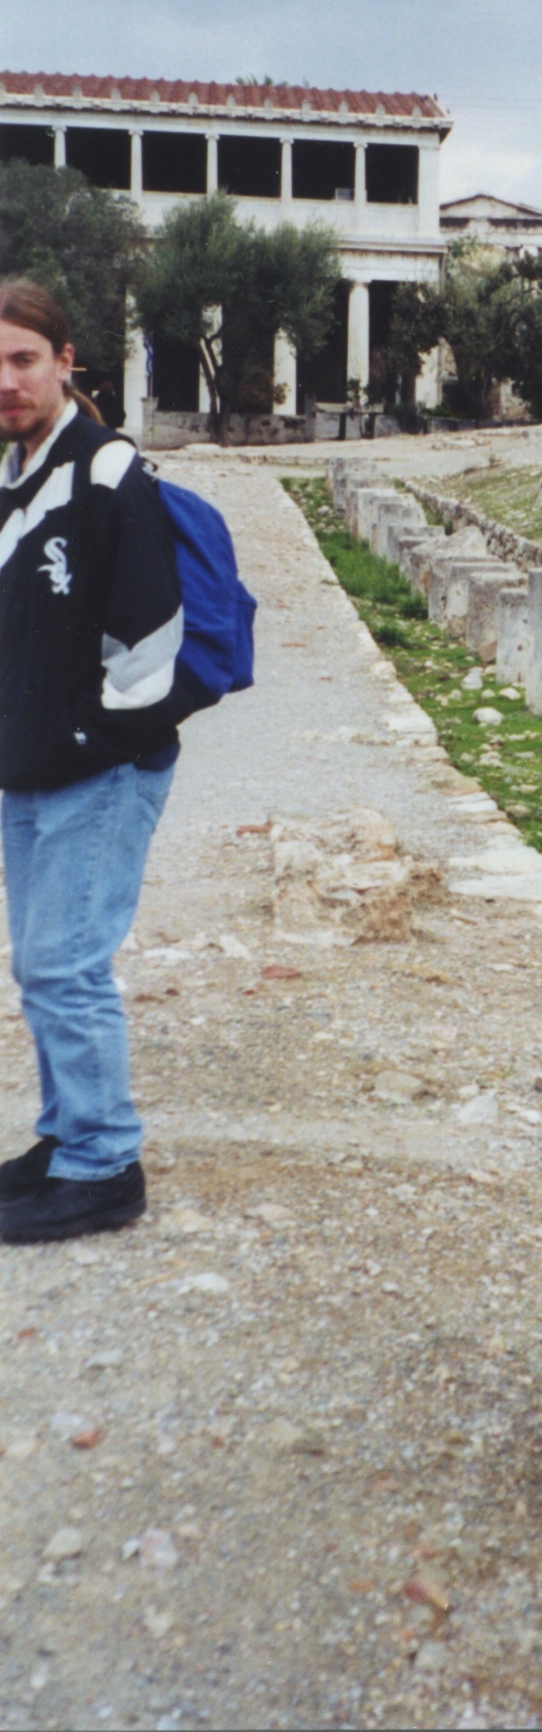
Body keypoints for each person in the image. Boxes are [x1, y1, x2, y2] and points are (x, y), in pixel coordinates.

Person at [0, 278, 184, 1246]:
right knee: (41, 965)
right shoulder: (16, 470)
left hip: (98, 771)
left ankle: (105, 1164)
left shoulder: (108, 470)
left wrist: (90, 738)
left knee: (65, 964)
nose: (7, 380)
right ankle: (66, 1134)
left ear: (65, 362)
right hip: (27, 769)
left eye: (23, 359)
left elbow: (152, 637)